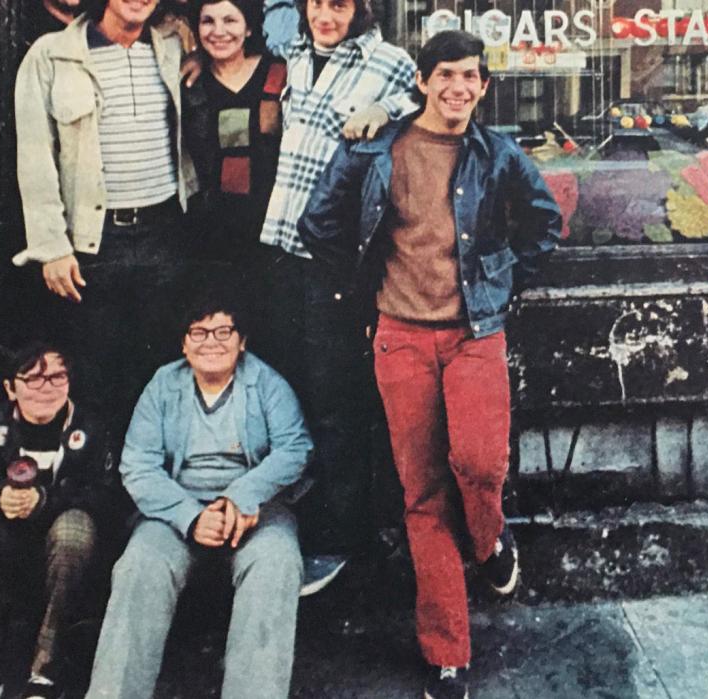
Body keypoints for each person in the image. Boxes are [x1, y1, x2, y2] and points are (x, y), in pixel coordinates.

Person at [299, 30, 562, 698]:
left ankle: (491, 543)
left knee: (480, 463)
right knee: (422, 494)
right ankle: (448, 653)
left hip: (475, 333)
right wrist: (360, 290)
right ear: (421, 81)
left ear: (482, 84)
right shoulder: (376, 149)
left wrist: (499, 281)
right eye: (445, 75)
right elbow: (319, 224)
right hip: (400, 337)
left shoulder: (496, 154)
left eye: (470, 77)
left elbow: (545, 226)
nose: (458, 88)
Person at [256, 0, 417, 595]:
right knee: (286, 390)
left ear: (361, 9)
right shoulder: (292, 53)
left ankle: (338, 538)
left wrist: (383, 109)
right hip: (278, 246)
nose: (327, 15)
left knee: (335, 402)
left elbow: (423, 107)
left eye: (340, 4)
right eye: (317, 3)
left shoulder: (389, 61)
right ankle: (290, 525)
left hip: (333, 256)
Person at [86, 292, 312, 699]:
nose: (212, 342)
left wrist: (242, 497)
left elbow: (295, 450)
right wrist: (190, 516)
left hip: (256, 511)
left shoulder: (267, 383)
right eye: (199, 332)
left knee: (276, 564)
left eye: (224, 331)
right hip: (175, 509)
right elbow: (137, 464)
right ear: (184, 342)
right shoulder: (163, 385)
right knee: (139, 567)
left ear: (242, 341)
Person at [13, 0, 198, 432]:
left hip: (165, 233)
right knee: (97, 373)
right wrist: (52, 247)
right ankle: (100, 492)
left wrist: (198, 53)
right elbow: (35, 155)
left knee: (163, 368)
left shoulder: (172, 46)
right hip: (95, 243)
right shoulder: (52, 54)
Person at [0, 344, 115, 699]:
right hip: (4, 542)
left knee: (74, 530)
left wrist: (46, 500)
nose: (45, 387)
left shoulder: (89, 428)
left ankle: (47, 668)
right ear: (11, 387)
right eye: (33, 378)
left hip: (64, 547)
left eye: (56, 376)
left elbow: (106, 494)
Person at [183, 0, 286, 262]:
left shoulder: (279, 74)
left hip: (273, 229)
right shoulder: (192, 84)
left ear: (249, 27)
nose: (218, 31)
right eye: (208, 21)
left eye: (230, 20)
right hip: (209, 234)